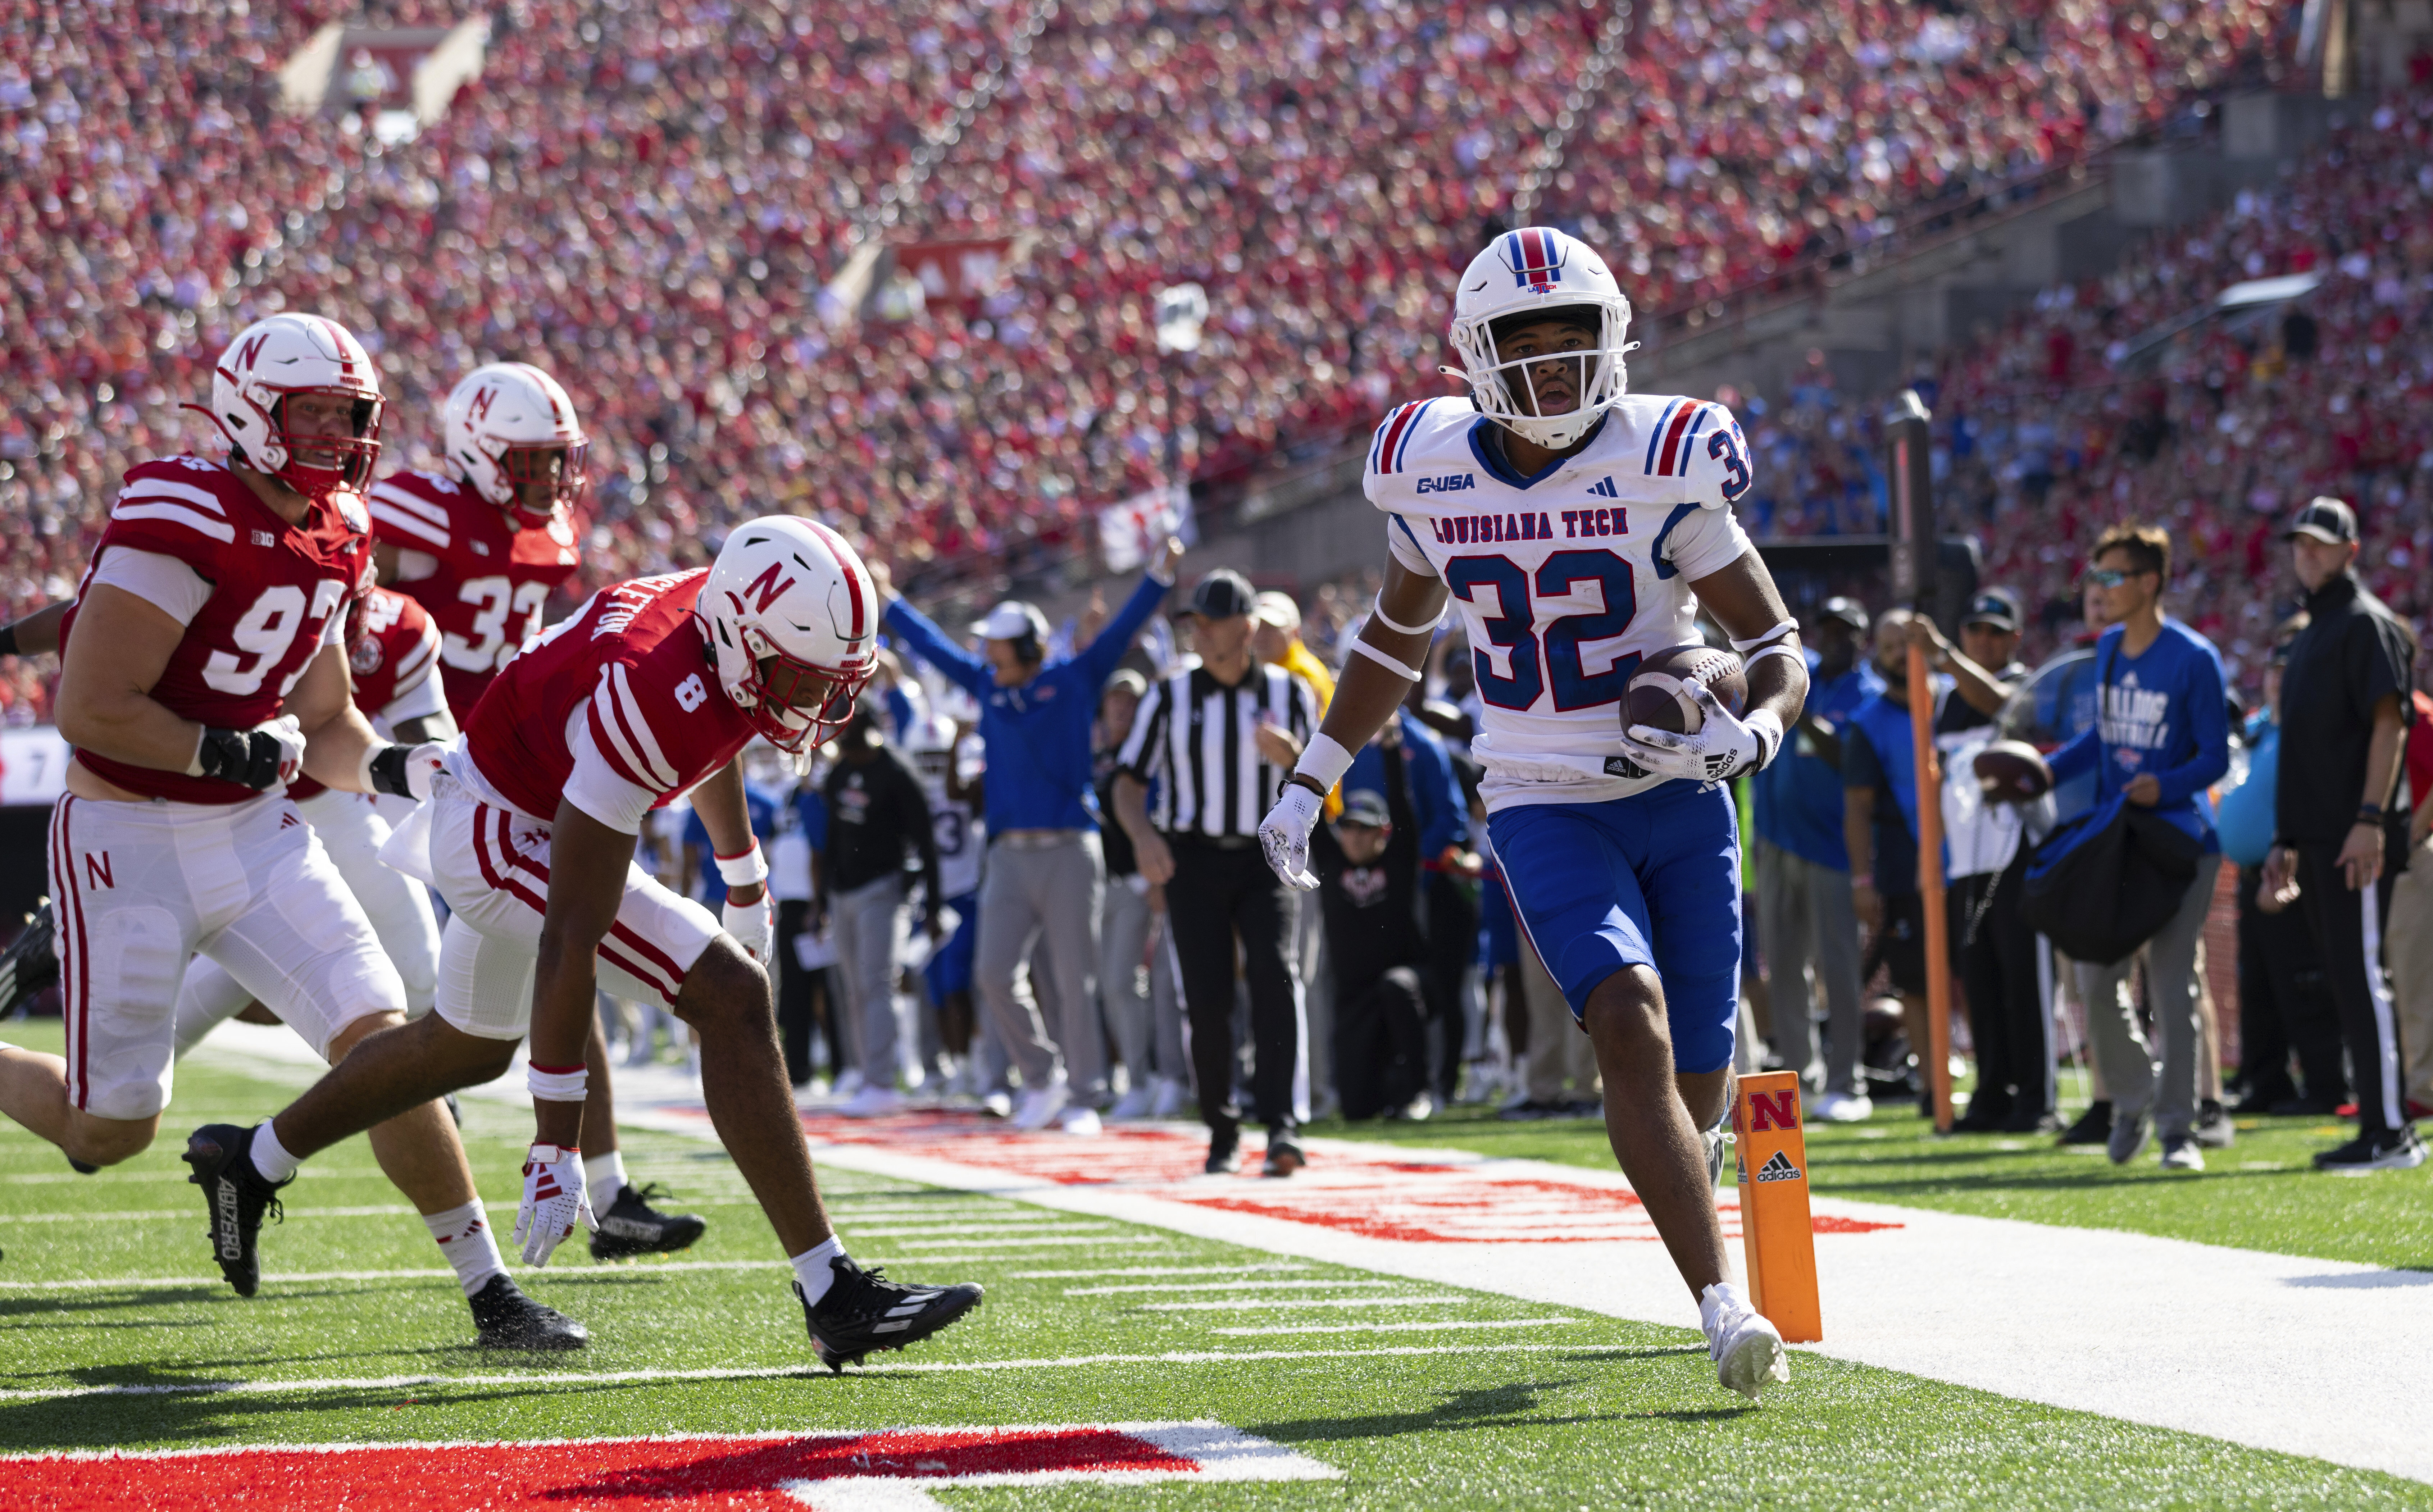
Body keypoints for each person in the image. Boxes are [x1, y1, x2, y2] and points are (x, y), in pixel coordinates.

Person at [188, 517, 985, 1370]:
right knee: (732, 995)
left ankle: (253, 1155)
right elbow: (572, 936)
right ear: (745, 636)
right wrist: (557, 1138)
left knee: (463, 1048)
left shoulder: (718, 630)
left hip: (506, 793)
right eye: (801, 676)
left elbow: (716, 727)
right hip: (504, 827)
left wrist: (742, 871)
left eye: (830, 680)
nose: (816, 701)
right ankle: (832, 1292)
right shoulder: (646, 688)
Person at [1254, 228, 1811, 1400]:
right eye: (1526, 342)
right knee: (1630, 1021)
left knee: (1697, 1073)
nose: (1552, 364)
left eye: (1573, 339)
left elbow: (1772, 646)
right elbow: (1394, 642)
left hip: (1681, 794)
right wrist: (1312, 774)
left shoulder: (1666, 455)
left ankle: (1694, 1190)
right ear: (1475, 355)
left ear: (1614, 341)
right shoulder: (1429, 464)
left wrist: (1750, 732)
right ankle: (1720, 1303)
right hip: (1539, 795)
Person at [0, 315, 584, 1348]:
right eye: (309, 411)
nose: (333, 434)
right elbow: (91, 707)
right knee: (109, 1130)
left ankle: (490, 1290)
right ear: (247, 409)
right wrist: (226, 749)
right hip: (127, 839)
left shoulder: (342, 528)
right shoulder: (178, 509)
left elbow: (326, 724)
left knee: (381, 1040)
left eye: (347, 415)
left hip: (256, 833)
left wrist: (407, 769)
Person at [365, 359, 693, 1249]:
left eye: (557, 461)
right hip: (415, 766)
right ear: (474, 451)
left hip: (509, 766)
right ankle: (267, 1142)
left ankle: (609, 1188)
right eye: (530, 462)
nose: (549, 480)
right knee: (380, 977)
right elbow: (344, 588)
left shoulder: (550, 531)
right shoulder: (416, 513)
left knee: (566, 950)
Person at [870, 539, 1182, 1132]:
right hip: (1008, 853)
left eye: (996, 641)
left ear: (1025, 646)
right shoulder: (988, 684)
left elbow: (1121, 629)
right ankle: (1040, 1076)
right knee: (993, 971)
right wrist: (891, 603)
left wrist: (1159, 578)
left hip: (1068, 847)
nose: (985, 649)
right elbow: (934, 649)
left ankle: (1086, 1096)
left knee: (1072, 976)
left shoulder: (1072, 680)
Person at [1119, 568, 1325, 1174]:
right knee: (1206, 996)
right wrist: (1143, 837)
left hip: (1265, 854)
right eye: (1195, 622)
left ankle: (1281, 1125)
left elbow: (1322, 782)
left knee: (1274, 978)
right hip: (1194, 855)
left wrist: (1292, 759)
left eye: (1209, 620)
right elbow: (1127, 783)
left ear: (1246, 628)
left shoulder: (1291, 691)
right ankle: (1220, 1127)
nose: (1199, 632)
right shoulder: (1167, 693)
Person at [2046, 524, 2230, 1171]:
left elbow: (2215, 755)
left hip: (2180, 841)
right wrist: (2044, 770)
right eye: (2094, 576)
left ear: (2148, 581)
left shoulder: (2193, 657)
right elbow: (2101, 739)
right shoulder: (2104, 649)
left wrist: (2166, 784)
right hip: (2115, 839)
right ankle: (2132, 1098)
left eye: (2110, 576)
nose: (2098, 588)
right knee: (2096, 981)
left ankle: (2178, 1130)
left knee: (2173, 986)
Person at [2260, 497, 2422, 1171]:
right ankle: (2377, 1122)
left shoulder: (2363, 624)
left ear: (2350, 550)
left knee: (2361, 977)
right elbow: (2303, 747)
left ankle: (2389, 1132)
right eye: (2300, 544)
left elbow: (2391, 724)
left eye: (2321, 544)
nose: (2308, 554)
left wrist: (2368, 821)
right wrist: (2284, 837)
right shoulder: (2311, 631)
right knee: (2346, 978)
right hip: (2318, 835)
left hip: (2352, 835)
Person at [1921, 591, 2049, 1133]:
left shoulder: (2026, 685)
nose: (1985, 640)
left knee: (2024, 979)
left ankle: (2037, 1098)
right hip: (1966, 861)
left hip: (2016, 853)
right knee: (1980, 981)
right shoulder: (1948, 702)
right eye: (1977, 630)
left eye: (1997, 632)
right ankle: (1993, 1090)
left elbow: (2005, 707)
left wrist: (1946, 655)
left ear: (2015, 639)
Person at [1749, 596, 1879, 1121]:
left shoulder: (1864, 693)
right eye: (1826, 629)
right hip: (1777, 839)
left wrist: (1796, 710)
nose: (1833, 639)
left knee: (1839, 966)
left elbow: (1843, 756)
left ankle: (1848, 1078)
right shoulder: (1804, 677)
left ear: (1861, 638)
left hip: (1831, 846)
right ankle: (1801, 1078)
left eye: (1845, 631)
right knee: (1783, 965)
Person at [2218, 620, 2347, 1115]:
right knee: (2258, 987)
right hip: (2251, 876)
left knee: (2305, 982)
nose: (2278, 678)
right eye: (2273, 669)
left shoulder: (2309, 728)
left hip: (2294, 873)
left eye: (2288, 671)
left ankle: (2325, 1084)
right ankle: (2266, 1081)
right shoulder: (2258, 729)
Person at [1839, 610, 1955, 1116]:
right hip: (1903, 870)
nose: (1898, 655)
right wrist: (1863, 879)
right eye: (1888, 647)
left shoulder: (1954, 699)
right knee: (1915, 985)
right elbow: (1857, 809)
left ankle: (1993, 1076)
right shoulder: (1867, 724)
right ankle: (1934, 1088)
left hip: (1972, 864)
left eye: (1906, 643)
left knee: (1972, 978)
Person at [818, 702, 942, 1117]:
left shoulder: (897, 773)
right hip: (843, 892)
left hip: (883, 889)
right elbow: (832, 839)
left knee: (877, 984)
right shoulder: (838, 774)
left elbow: (926, 844)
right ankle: (863, 1070)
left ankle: (882, 1080)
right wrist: (823, 898)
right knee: (854, 987)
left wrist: (934, 905)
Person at [1095, 671, 1187, 1120]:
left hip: (1147, 882)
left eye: (1130, 701)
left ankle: (1161, 1077)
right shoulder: (1101, 757)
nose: (1121, 708)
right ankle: (1139, 1076)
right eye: (1114, 699)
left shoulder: (1152, 756)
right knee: (1115, 986)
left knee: (1153, 986)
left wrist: (1154, 880)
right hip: (1106, 884)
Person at [1311, 780, 1430, 1120]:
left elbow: (1406, 812)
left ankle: (1418, 1092)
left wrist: (1392, 750)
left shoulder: (1399, 862)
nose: (1355, 836)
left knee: (1397, 986)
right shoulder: (1331, 863)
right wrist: (1298, 765)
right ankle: (1385, 1095)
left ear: (1384, 831)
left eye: (1365, 829)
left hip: (1410, 985)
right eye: (1348, 828)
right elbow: (1312, 810)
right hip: (1355, 998)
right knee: (1357, 1110)